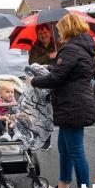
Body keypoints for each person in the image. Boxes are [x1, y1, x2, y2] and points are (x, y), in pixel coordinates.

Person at [30, 14, 95, 188]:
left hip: (73, 104)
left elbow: (56, 78)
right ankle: (63, 187)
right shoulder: (81, 48)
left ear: (68, 28)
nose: (58, 32)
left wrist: (33, 81)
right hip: (74, 103)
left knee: (76, 150)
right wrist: (48, 66)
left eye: (60, 29)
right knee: (64, 148)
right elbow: (65, 71)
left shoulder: (71, 49)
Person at [29, 23, 58, 151]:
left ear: (50, 33)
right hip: (42, 83)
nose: (43, 35)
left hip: (57, 80)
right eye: (40, 34)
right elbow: (32, 64)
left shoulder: (58, 45)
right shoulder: (35, 47)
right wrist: (49, 56)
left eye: (45, 32)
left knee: (58, 111)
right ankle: (46, 140)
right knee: (45, 112)